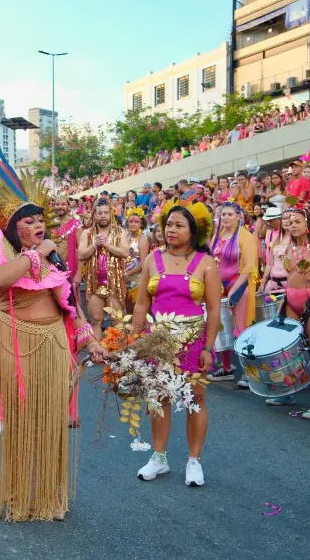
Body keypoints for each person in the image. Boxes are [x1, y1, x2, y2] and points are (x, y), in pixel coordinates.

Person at [0, 154, 106, 520]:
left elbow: (69, 304)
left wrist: (89, 341)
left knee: (51, 423)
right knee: (20, 423)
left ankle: (48, 495)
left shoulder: (53, 261)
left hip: (53, 346)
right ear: (14, 228)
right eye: (28, 221)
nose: (37, 225)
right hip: (16, 345)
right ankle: (17, 495)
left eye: (41, 220)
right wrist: (36, 255)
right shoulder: (3, 257)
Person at [131, 200, 221, 486]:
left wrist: (207, 346)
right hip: (157, 343)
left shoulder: (206, 263)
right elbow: (142, 303)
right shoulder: (151, 260)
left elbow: (215, 310)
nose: (171, 230)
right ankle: (158, 458)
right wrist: (135, 340)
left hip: (193, 342)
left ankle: (194, 461)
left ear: (193, 231)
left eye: (179, 225)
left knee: (196, 398)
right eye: (169, 224)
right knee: (158, 398)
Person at [270, 205, 310, 415]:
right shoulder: (289, 249)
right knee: (290, 351)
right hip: (290, 303)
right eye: (290, 222)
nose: (293, 225)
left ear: (308, 225)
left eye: (298, 222)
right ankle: (290, 390)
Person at [208, 203, 256, 380]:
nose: (225, 217)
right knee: (221, 328)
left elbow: (248, 268)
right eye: (223, 214)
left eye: (229, 214)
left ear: (238, 216)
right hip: (219, 286)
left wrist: (233, 291)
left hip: (238, 285)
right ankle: (226, 367)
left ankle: (248, 373)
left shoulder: (246, 237)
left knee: (240, 329)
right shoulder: (217, 237)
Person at [77, 200, 128, 341]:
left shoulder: (120, 232)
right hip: (94, 284)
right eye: (100, 213)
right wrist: (94, 245)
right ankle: (97, 354)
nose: (103, 216)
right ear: (95, 214)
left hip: (114, 283)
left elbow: (124, 252)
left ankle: (118, 357)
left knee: (117, 321)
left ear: (111, 213)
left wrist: (106, 244)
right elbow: (81, 255)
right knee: (95, 320)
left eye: (106, 212)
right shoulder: (87, 233)